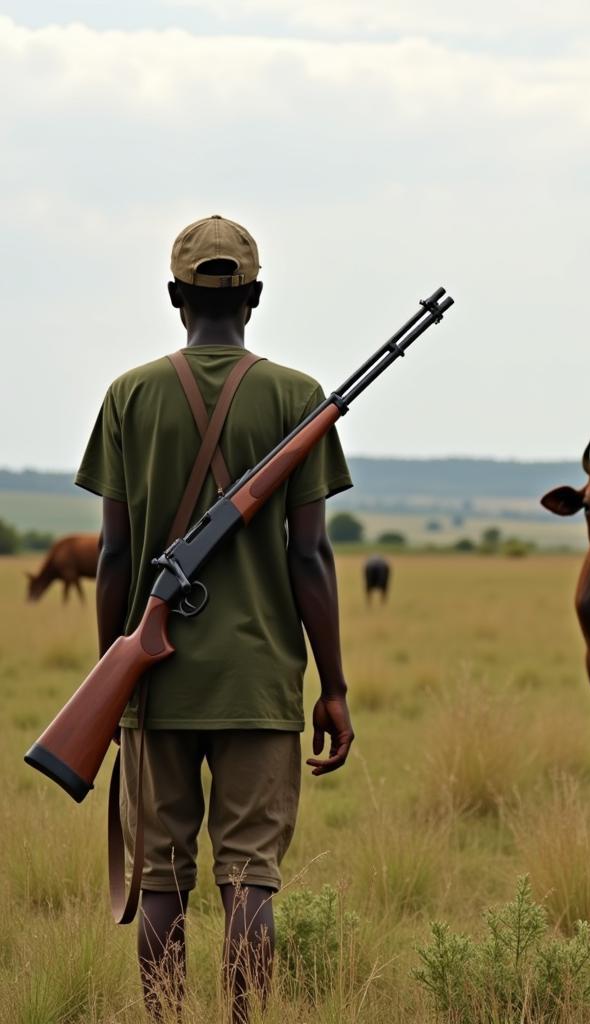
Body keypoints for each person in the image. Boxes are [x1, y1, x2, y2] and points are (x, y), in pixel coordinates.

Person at [75, 215, 356, 1021]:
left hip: (155, 691)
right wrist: (332, 685)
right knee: (248, 884)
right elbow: (310, 558)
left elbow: (115, 555)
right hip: (261, 683)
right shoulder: (298, 398)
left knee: (159, 884)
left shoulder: (128, 394)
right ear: (256, 298)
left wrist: (116, 674)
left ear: (173, 296)